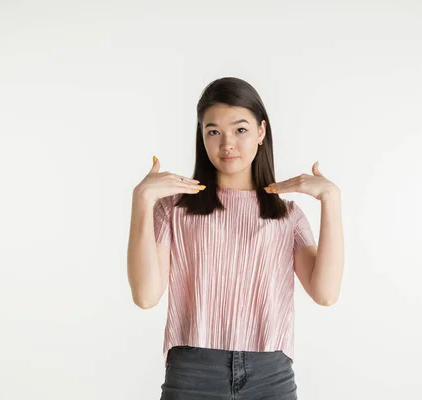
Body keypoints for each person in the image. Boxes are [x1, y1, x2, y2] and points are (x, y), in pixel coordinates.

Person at [127, 77, 344, 399]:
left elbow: (325, 293)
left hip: (270, 373)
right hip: (192, 372)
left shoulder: (286, 215)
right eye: (213, 131)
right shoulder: (172, 209)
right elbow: (146, 296)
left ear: (261, 132)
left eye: (240, 129)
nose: (227, 143)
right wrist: (142, 200)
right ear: (202, 138)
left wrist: (332, 200)